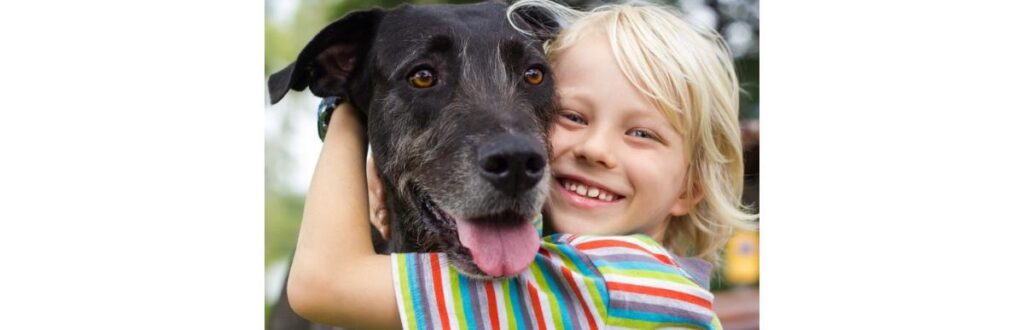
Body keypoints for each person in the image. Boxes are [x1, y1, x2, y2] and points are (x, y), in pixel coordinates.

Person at [286, 1, 757, 329]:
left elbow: (323, 283)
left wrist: (345, 111)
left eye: (532, 76)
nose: (596, 149)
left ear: (688, 190)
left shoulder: (603, 286)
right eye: (573, 116)